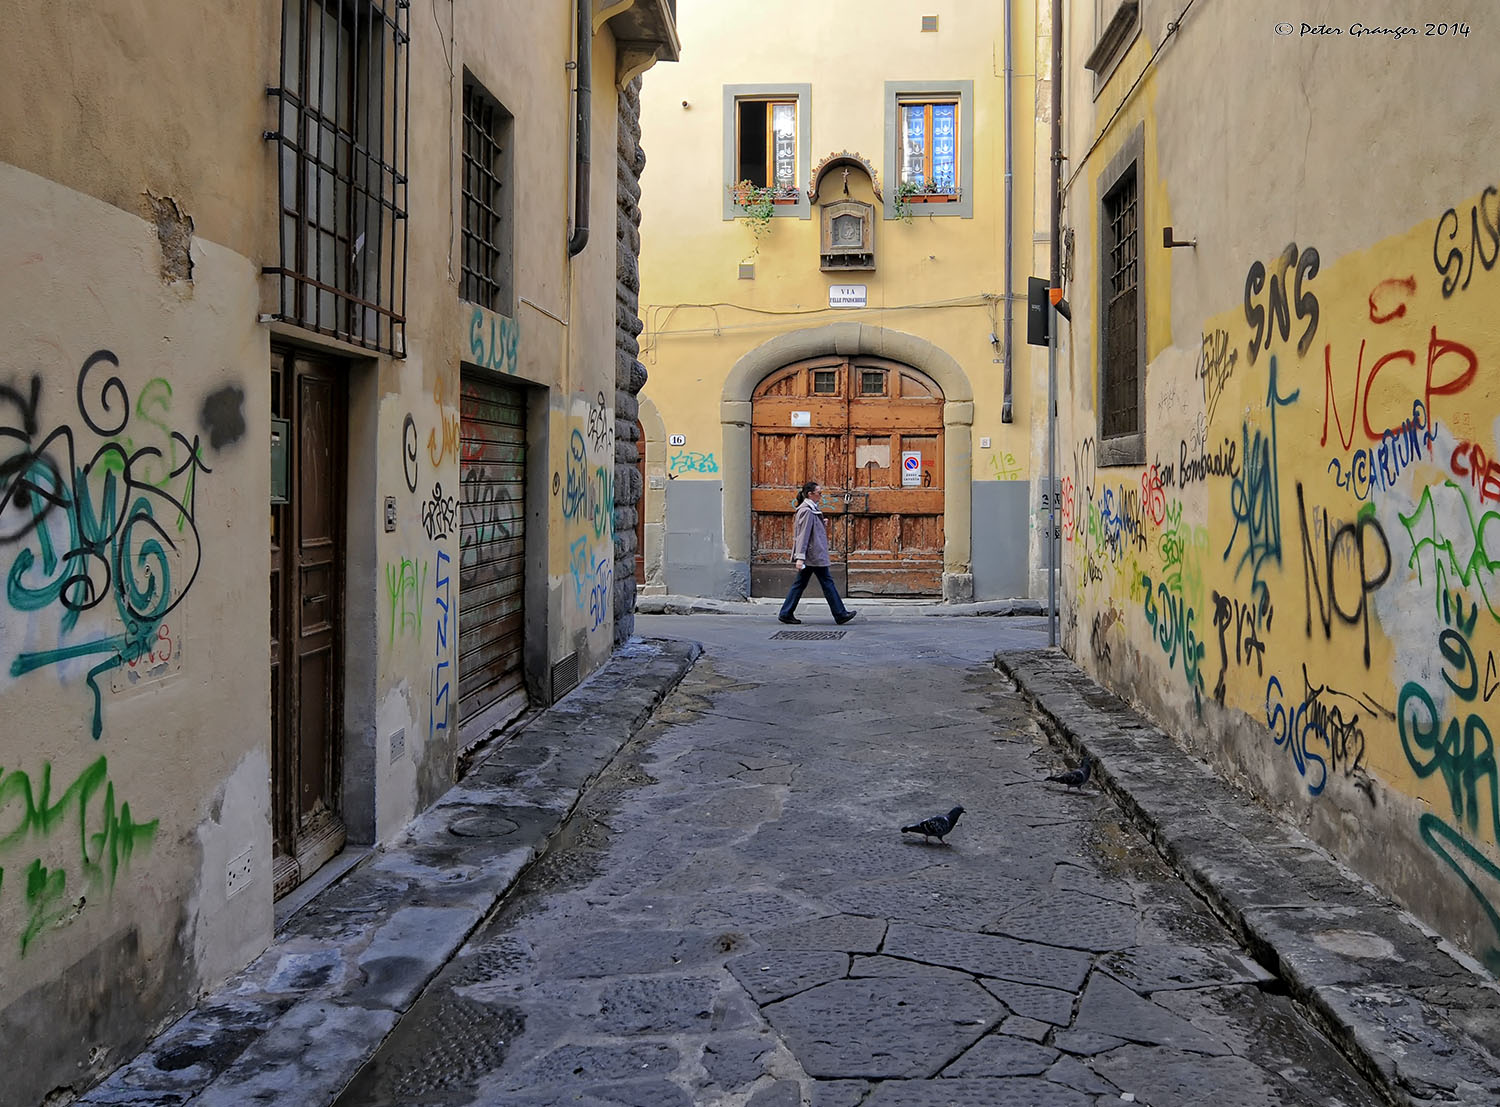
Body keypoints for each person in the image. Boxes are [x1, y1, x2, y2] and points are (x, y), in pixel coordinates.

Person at [778, 481, 858, 625]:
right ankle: (839, 614)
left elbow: (811, 530)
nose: (821, 495)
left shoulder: (811, 509)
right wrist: (800, 558)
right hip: (812, 555)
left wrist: (821, 523)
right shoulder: (806, 511)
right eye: (819, 493)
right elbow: (803, 535)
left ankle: (786, 612)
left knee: (801, 584)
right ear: (810, 494)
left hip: (812, 555)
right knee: (826, 582)